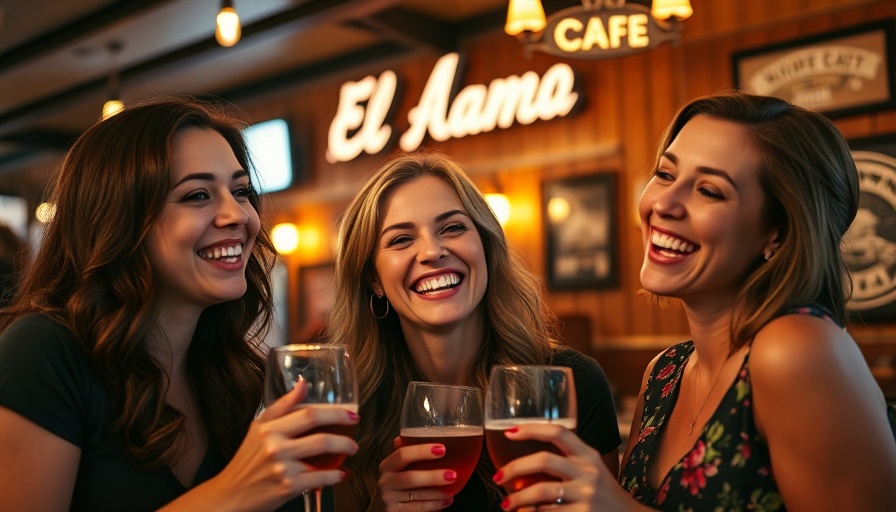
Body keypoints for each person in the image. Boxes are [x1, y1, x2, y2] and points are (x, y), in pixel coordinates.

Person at [491, 91, 896, 511]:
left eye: (709, 191)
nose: (663, 204)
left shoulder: (797, 348)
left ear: (777, 232)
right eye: (665, 175)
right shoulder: (665, 372)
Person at [0, 97, 359, 511]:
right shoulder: (44, 353)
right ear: (120, 219)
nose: (237, 215)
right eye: (197, 195)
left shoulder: (243, 380)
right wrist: (231, 495)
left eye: (241, 191)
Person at [325, 151, 621, 511]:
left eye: (452, 228)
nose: (432, 252)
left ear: (486, 246)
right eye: (401, 239)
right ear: (373, 279)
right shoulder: (351, 414)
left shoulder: (575, 383)